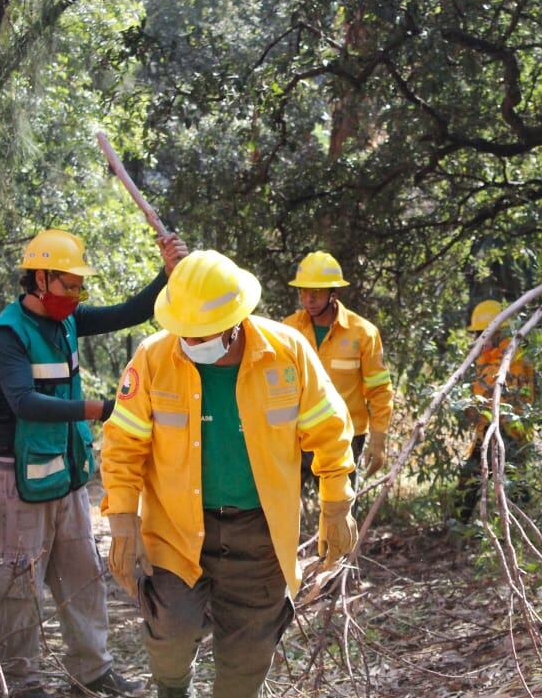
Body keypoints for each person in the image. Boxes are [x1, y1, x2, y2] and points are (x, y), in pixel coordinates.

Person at [100, 250, 358, 698]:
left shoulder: (287, 352)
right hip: (175, 529)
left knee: (246, 661)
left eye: (199, 334)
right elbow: (123, 444)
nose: (187, 341)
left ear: (234, 321)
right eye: (181, 330)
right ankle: (172, 691)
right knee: (172, 634)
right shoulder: (154, 357)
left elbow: (330, 431)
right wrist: (122, 521)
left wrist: (336, 505)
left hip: (259, 534)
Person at [0, 228, 187, 698]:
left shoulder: (68, 319)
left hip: (67, 475)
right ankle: (22, 684)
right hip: (18, 480)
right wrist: (101, 409)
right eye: (67, 285)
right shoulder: (6, 335)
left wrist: (167, 273)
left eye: (78, 287)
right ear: (39, 279)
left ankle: (91, 674)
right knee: (19, 586)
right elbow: (24, 402)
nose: (74, 295)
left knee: (84, 578)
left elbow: (131, 312)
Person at [282, 251, 393, 479]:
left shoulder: (363, 333)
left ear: (334, 294)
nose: (308, 299)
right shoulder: (288, 330)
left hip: (345, 437)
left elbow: (379, 390)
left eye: (316, 292)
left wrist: (379, 439)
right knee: (282, 500)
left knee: (339, 501)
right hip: (298, 435)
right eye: (303, 291)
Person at [456, 299, 535, 522]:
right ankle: (456, 525)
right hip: (487, 430)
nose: (478, 338)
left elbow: (510, 398)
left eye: (482, 333)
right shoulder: (487, 356)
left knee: (512, 484)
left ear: (498, 332)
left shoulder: (513, 359)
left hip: (509, 432)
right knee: (471, 479)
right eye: (477, 334)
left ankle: (524, 526)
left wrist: (478, 411)